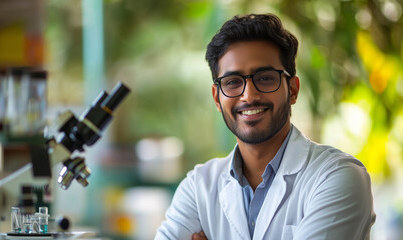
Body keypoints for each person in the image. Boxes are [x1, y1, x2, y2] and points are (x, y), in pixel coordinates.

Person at [155, 13, 375, 240]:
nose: (249, 96)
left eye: (265, 78)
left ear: (293, 90)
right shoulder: (197, 187)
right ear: (216, 98)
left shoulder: (337, 177)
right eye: (232, 82)